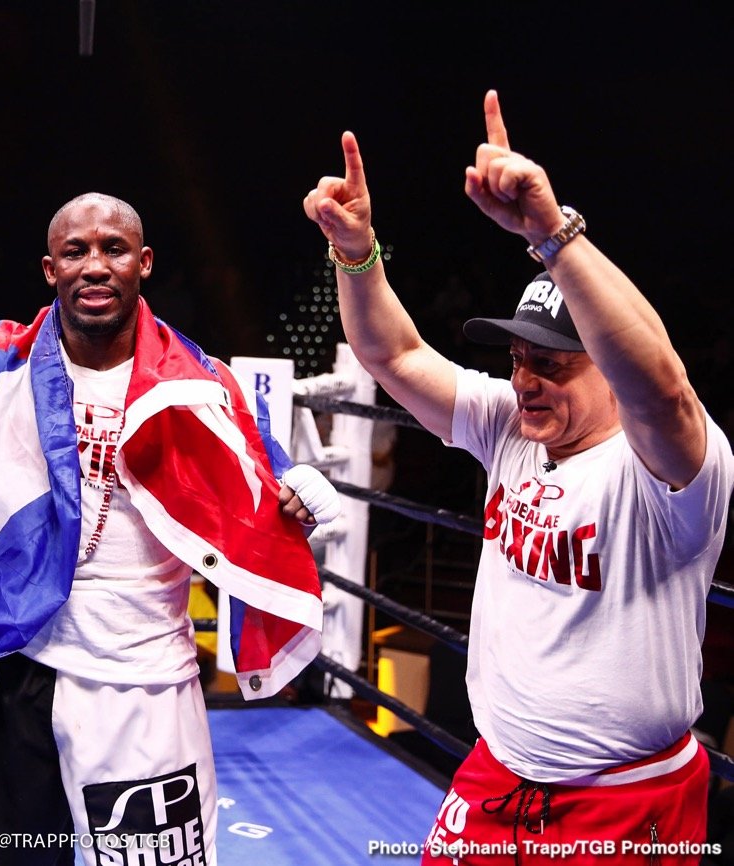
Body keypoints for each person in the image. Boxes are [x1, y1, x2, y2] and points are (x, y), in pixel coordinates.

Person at [0, 191, 340, 865]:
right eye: (76, 251)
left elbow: (259, 475)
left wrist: (295, 492)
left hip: (143, 683)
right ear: (49, 269)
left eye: (113, 249)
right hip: (20, 672)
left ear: (143, 263)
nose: (95, 265)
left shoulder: (200, 387)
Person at [304, 90, 733, 862]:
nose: (526, 378)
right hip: (495, 779)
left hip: (625, 806)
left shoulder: (668, 471)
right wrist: (356, 253)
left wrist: (550, 232)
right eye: (518, 358)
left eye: (552, 362)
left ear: (606, 364)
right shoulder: (509, 423)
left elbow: (663, 389)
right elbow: (394, 357)